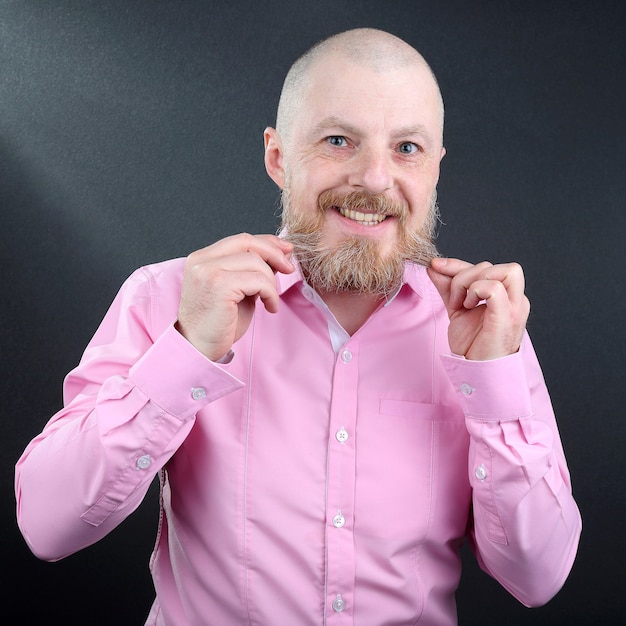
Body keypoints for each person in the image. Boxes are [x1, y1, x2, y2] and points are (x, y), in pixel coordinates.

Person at [15, 28, 581, 625]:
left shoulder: (486, 331)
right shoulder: (168, 298)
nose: (375, 179)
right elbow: (47, 527)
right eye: (339, 140)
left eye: (407, 148)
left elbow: (537, 578)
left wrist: (490, 385)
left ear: (436, 166)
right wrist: (185, 355)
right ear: (278, 157)